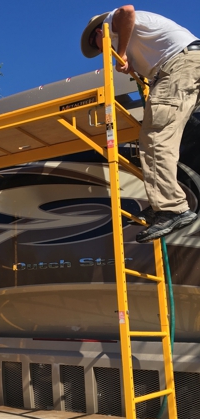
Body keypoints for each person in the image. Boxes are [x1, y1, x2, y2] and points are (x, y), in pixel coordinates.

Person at [80, 5, 200, 243]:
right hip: (186, 64)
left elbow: (127, 10)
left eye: (97, 43)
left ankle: (172, 207)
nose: (103, 49)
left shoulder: (111, 24)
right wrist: (132, 64)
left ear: (98, 31)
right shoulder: (140, 38)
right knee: (168, 136)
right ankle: (161, 204)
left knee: (155, 138)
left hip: (179, 67)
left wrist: (122, 52)